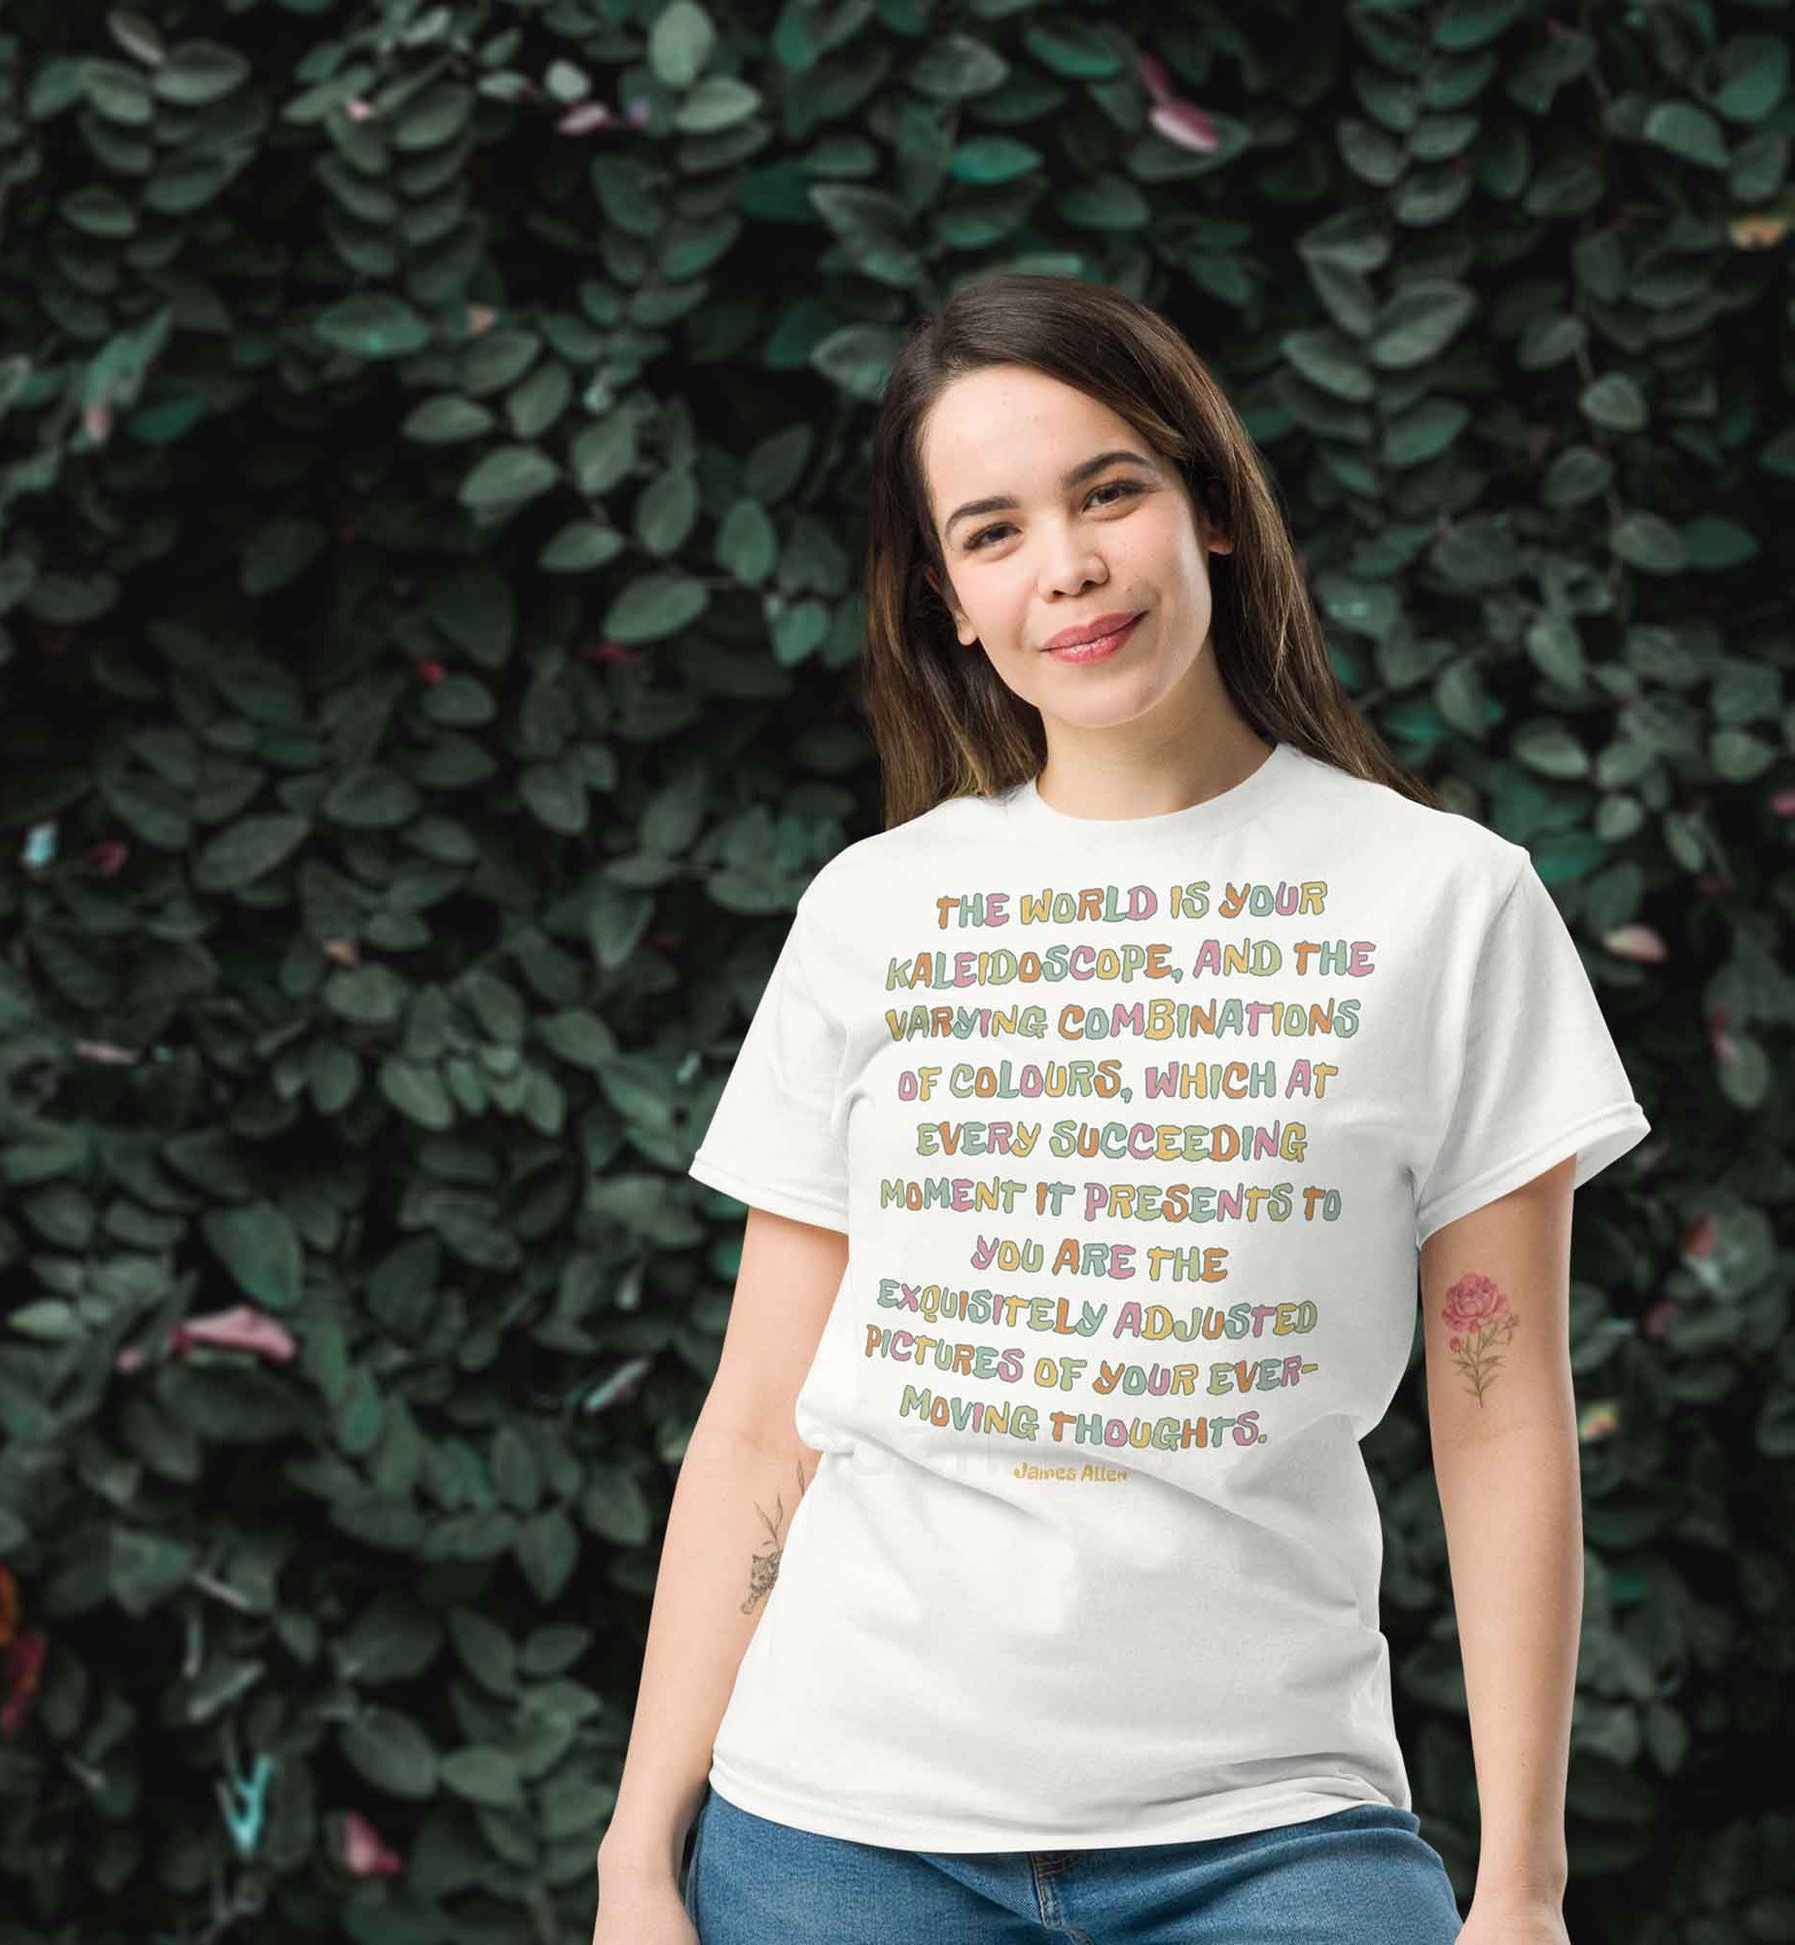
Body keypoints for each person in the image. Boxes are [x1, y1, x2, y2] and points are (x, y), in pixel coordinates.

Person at [593, 273, 1649, 1945]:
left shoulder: (1445, 902)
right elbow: (755, 1425)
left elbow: (1498, 1409)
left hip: (1270, 1829)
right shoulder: (873, 911)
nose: (1066, 568)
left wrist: (1520, 1883)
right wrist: (635, 1858)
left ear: (1208, 511)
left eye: (1107, 492)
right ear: (944, 596)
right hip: (835, 1831)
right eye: (992, 530)